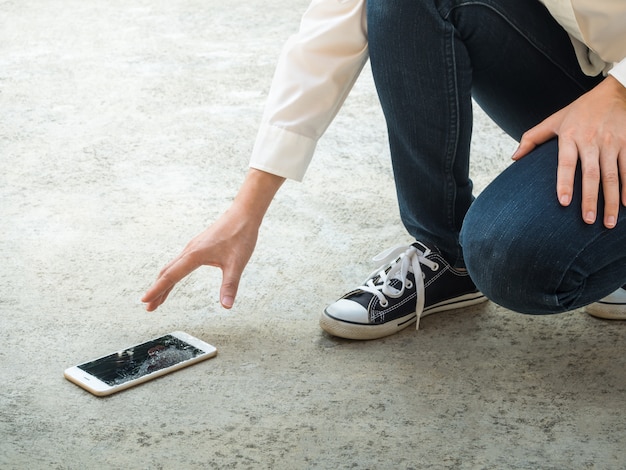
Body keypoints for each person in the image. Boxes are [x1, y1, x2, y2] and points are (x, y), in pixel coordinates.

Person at [142, 0, 626, 340]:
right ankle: (447, 255)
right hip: (592, 81)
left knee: (517, 260)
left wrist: (619, 92)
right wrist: (247, 207)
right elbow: (329, 31)